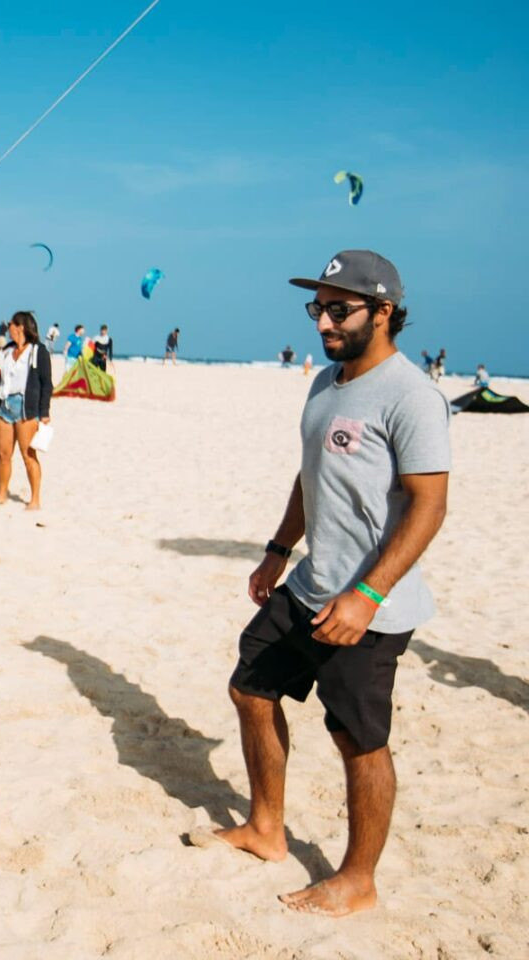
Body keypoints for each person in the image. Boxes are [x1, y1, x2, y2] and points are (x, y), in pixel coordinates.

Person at [209, 250, 449, 918]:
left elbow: (430, 505)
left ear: (385, 311)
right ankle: (266, 827)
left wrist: (367, 595)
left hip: (372, 605)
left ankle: (358, 879)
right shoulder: (325, 382)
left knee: (358, 740)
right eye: (317, 308)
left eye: (338, 309)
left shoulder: (412, 395)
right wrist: (278, 550)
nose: (322, 323)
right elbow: (309, 475)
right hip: (310, 584)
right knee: (250, 689)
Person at [0, 311, 53, 510]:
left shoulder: (38, 351)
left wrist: (44, 412)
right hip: (5, 406)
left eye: (10, 324)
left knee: (28, 455)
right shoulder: (7, 350)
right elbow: (2, 380)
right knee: (4, 454)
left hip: (26, 407)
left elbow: (47, 384)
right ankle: (2, 494)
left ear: (20, 327)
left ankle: (35, 499)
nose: (8, 327)